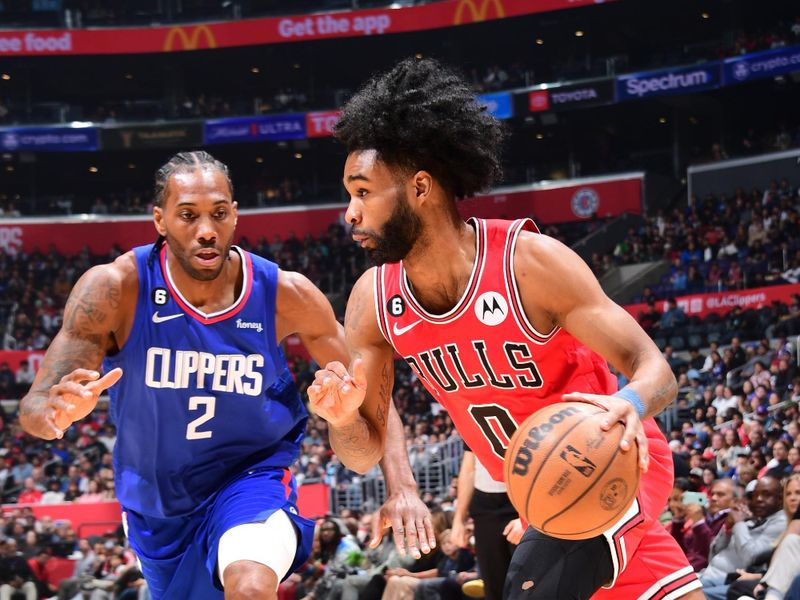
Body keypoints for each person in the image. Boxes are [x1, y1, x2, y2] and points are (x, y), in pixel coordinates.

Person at [309, 57, 702, 599]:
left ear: (420, 188)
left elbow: (656, 370)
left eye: (362, 192)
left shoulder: (529, 263)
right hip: (540, 493)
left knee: (530, 586)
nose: (349, 213)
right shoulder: (373, 303)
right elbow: (360, 452)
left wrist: (630, 403)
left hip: (615, 460)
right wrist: (345, 419)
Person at [19, 151, 429, 600]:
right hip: (157, 505)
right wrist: (58, 412)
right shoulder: (115, 288)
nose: (207, 230)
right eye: (188, 216)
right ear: (159, 220)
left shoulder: (284, 293)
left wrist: (403, 487)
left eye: (218, 213)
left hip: (250, 477)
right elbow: (35, 409)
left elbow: (372, 389)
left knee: (250, 586)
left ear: (235, 214)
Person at [451, 449, 520, 600]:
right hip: (484, 508)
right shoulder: (470, 424)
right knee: (494, 589)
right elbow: (469, 467)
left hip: (522, 499)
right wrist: (458, 520)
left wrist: (528, 517)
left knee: (529, 585)